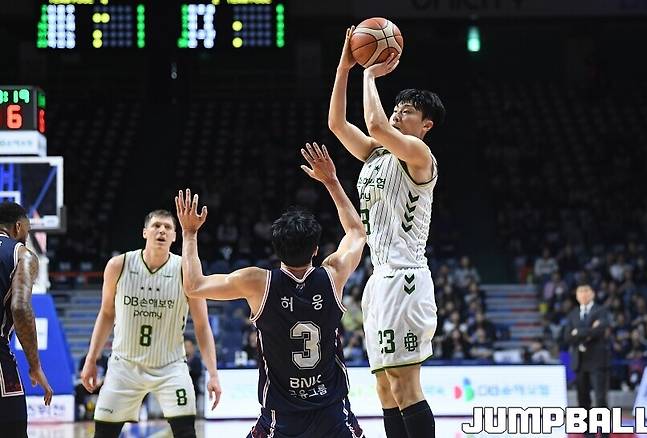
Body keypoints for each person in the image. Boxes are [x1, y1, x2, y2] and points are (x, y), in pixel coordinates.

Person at [176, 143, 366, 438]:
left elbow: (193, 285)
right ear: (316, 250)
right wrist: (331, 181)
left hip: (281, 418)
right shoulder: (334, 275)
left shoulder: (257, 282)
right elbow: (356, 232)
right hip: (332, 412)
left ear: (276, 250)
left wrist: (189, 234)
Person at [328, 27, 446, 437]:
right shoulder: (376, 154)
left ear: (426, 124)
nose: (398, 113)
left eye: (407, 111)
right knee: (384, 388)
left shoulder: (420, 155)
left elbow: (376, 124)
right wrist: (345, 66)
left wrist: (369, 73)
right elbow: (337, 124)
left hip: (406, 278)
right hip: (379, 279)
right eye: (397, 107)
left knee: (404, 384)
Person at [80, 209, 222, 438]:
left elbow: (202, 325)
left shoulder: (186, 271)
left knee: (186, 432)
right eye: (156, 226)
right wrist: (91, 359)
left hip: (171, 366)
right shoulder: (118, 265)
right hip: (124, 366)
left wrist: (213, 373)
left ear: (174, 236)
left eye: (168, 227)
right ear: (145, 232)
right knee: (104, 434)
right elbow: (106, 314)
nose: (162, 231)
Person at [0, 202, 53, 437]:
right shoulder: (22, 254)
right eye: (28, 231)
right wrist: (35, 366)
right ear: (18, 227)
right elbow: (20, 307)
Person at [564, 284, 611, 438]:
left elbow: (600, 330)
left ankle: (604, 433)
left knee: (600, 398)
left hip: (598, 361)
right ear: (577, 296)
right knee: (583, 399)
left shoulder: (601, 310)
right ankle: (588, 433)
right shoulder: (573, 314)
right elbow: (567, 337)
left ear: (592, 294)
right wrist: (589, 331)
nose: (583, 294)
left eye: (586, 291)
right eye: (580, 292)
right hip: (580, 361)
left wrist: (578, 332)